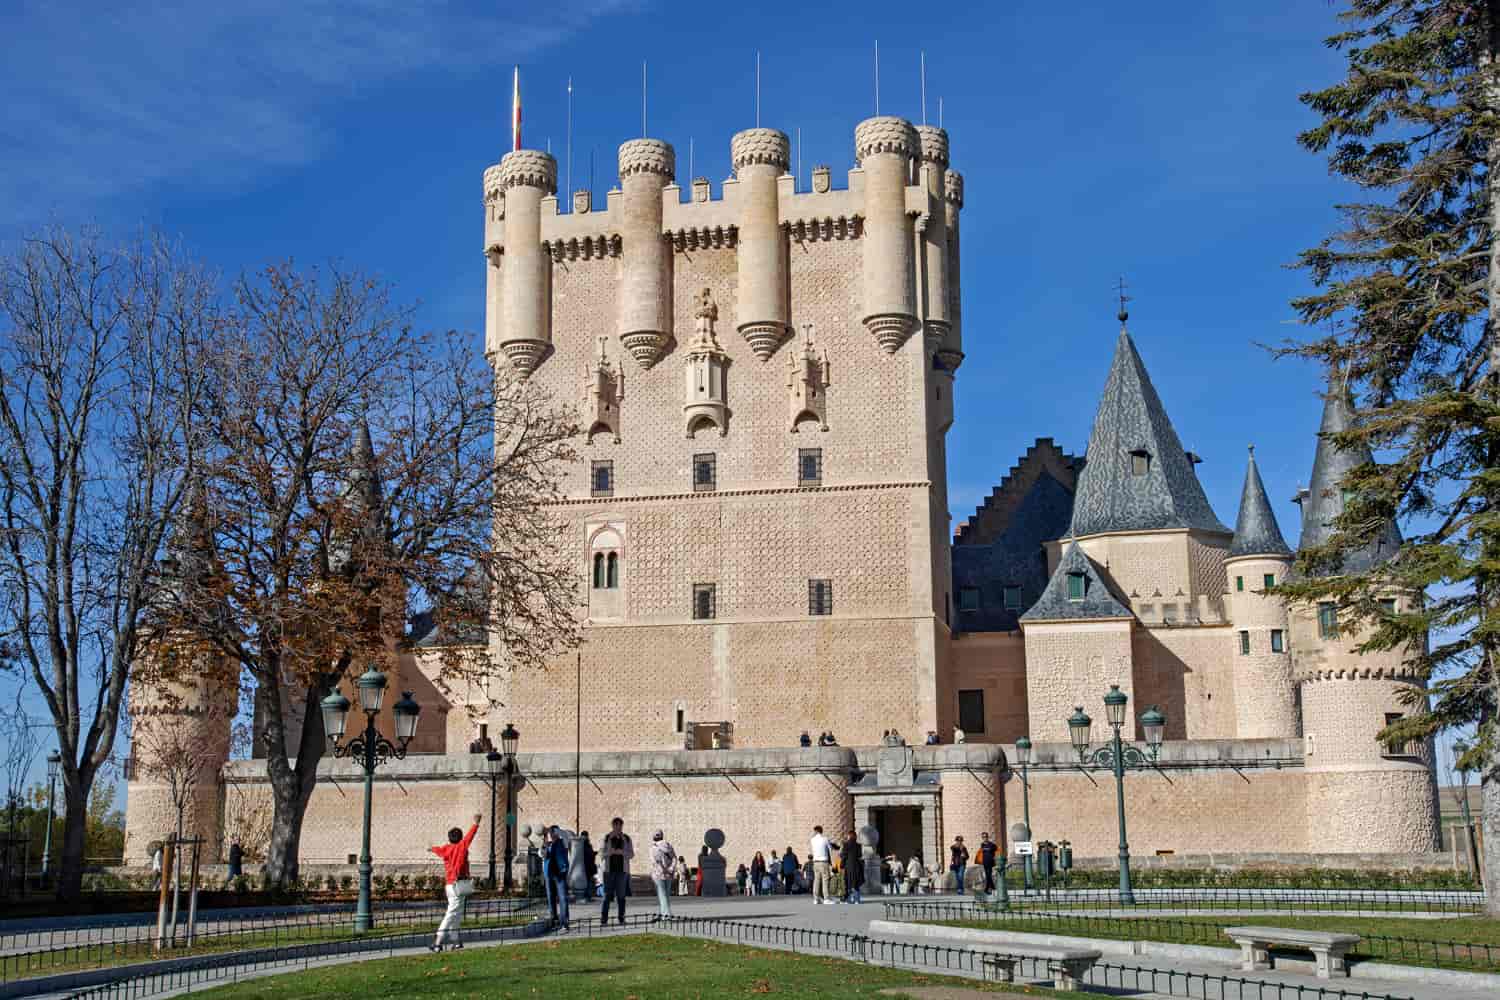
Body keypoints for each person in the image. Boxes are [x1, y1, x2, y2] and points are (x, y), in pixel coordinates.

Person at [428, 813, 481, 951]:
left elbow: (438, 850)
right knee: (452, 913)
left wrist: (431, 848)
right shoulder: (462, 847)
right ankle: (438, 941)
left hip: (450, 885)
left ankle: (456, 940)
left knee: (456, 913)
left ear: (449, 838)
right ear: (460, 838)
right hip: (459, 885)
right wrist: (476, 823)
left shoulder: (446, 849)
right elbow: (470, 836)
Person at [600, 816, 633, 925]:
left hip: (622, 871)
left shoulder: (627, 838)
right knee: (607, 896)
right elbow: (601, 854)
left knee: (621, 896)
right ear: (613, 826)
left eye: (620, 825)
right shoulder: (606, 838)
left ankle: (621, 918)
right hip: (608, 871)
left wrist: (622, 852)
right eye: (616, 825)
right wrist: (610, 852)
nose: (618, 828)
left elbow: (631, 854)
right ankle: (604, 919)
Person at [543, 826, 571, 929]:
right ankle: (554, 918)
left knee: (563, 897)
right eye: (551, 833)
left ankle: (564, 921)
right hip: (549, 874)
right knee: (551, 897)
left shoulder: (563, 842)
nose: (552, 834)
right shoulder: (547, 844)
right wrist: (545, 844)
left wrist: (557, 831)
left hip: (560, 873)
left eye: (553, 832)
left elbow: (567, 836)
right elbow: (543, 855)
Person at [649, 830, 676, 920]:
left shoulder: (653, 848)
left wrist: (662, 870)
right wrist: (670, 869)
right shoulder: (668, 845)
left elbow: (654, 862)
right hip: (669, 874)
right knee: (666, 895)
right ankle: (663, 913)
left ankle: (667, 914)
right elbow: (674, 858)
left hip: (658, 874)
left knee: (662, 895)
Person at [809, 825, 832, 904]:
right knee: (825, 880)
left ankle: (816, 898)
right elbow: (830, 849)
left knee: (816, 880)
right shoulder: (825, 839)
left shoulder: (812, 840)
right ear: (821, 831)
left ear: (815, 831)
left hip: (815, 862)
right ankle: (826, 898)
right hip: (823, 861)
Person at [839, 830, 863, 904]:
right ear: (855, 836)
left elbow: (844, 856)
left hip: (848, 866)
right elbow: (860, 855)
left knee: (848, 882)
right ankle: (857, 899)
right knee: (856, 882)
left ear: (849, 836)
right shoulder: (858, 845)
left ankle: (848, 899)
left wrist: (841, 865)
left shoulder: (846, 845)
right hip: (857, 866)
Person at [579, 830, 597, 903]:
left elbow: (590, 854)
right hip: (585, 866)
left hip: (588, 866)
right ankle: (586, 896)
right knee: (586, 882)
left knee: (588, 881)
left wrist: (594, 853)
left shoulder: (587, 844)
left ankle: (588, 896)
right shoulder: (581, 844)